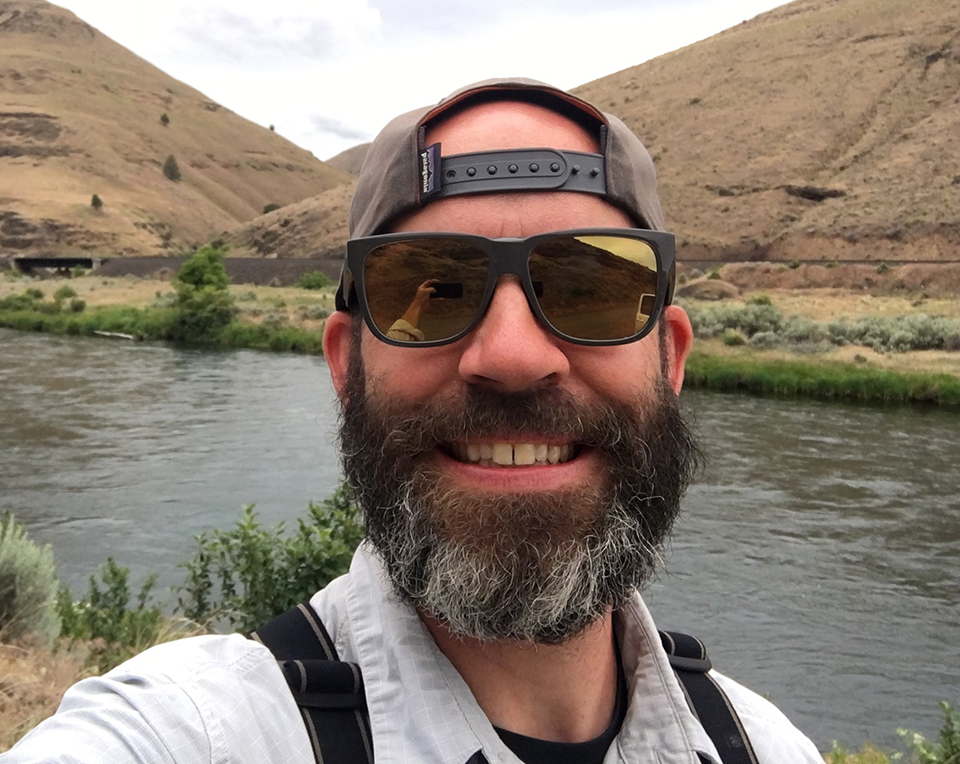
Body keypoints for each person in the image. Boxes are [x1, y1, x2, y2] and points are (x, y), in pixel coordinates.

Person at [3, 78, 822, 764]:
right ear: (344, 366)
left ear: (671, 360)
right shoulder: (194, 733)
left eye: (588, 288)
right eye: (430, 292)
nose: (511, 355)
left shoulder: (771, 747)